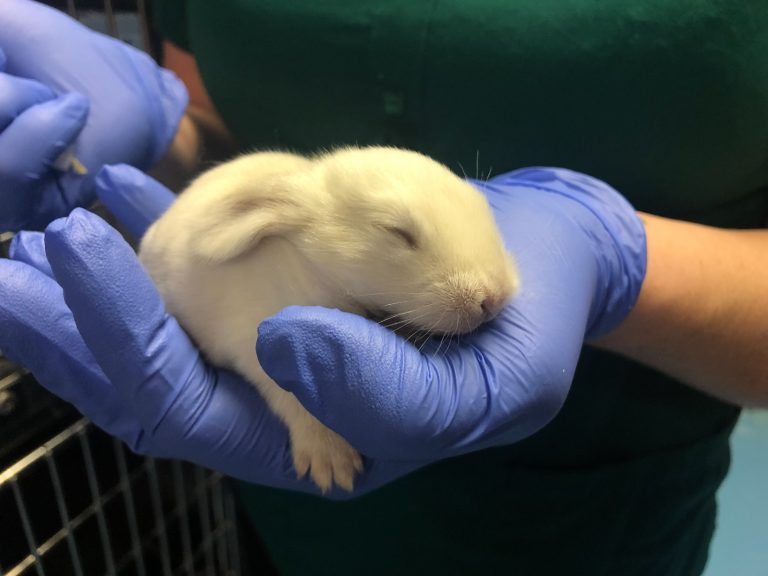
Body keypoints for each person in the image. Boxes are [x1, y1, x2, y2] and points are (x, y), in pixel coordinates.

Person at [0, 1, 766, 574]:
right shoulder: (285, 236)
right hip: (287, 528)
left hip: (597, 526)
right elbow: (233, 300)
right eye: (399, 240)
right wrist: (171, 131)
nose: (495, 291)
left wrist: (612, 260)